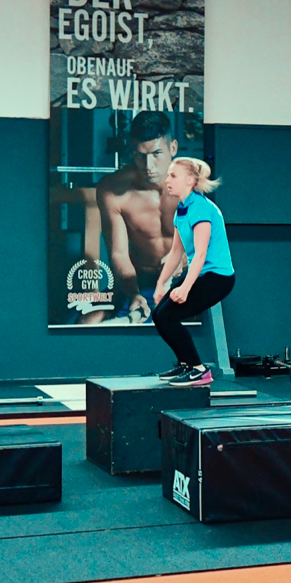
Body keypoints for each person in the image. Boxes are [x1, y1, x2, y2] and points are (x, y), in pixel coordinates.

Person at [85, 111, 181, 324]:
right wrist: (132, 294)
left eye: (157, 153)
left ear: (172, 148)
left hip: (185, 280)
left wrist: (183, 261)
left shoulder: (194, 188)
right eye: (140, 155)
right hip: (138, 281)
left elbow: (209, 247)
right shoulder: (112, 189)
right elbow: (118, 254)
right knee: (87, 322)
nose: (149, 167)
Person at [152, 158, 236, 387]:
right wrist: (162, 284)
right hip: (201, 275)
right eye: (168, 175)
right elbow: (176, 252)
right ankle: (186, 363)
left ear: (190, 180)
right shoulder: (182, 210)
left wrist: (185, 288)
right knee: (159, 315)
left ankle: (199, 369)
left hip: (218, 278)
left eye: (173, 176)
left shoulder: (201, 208)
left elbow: (200, 254)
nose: (167, 180)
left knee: (168, 315)